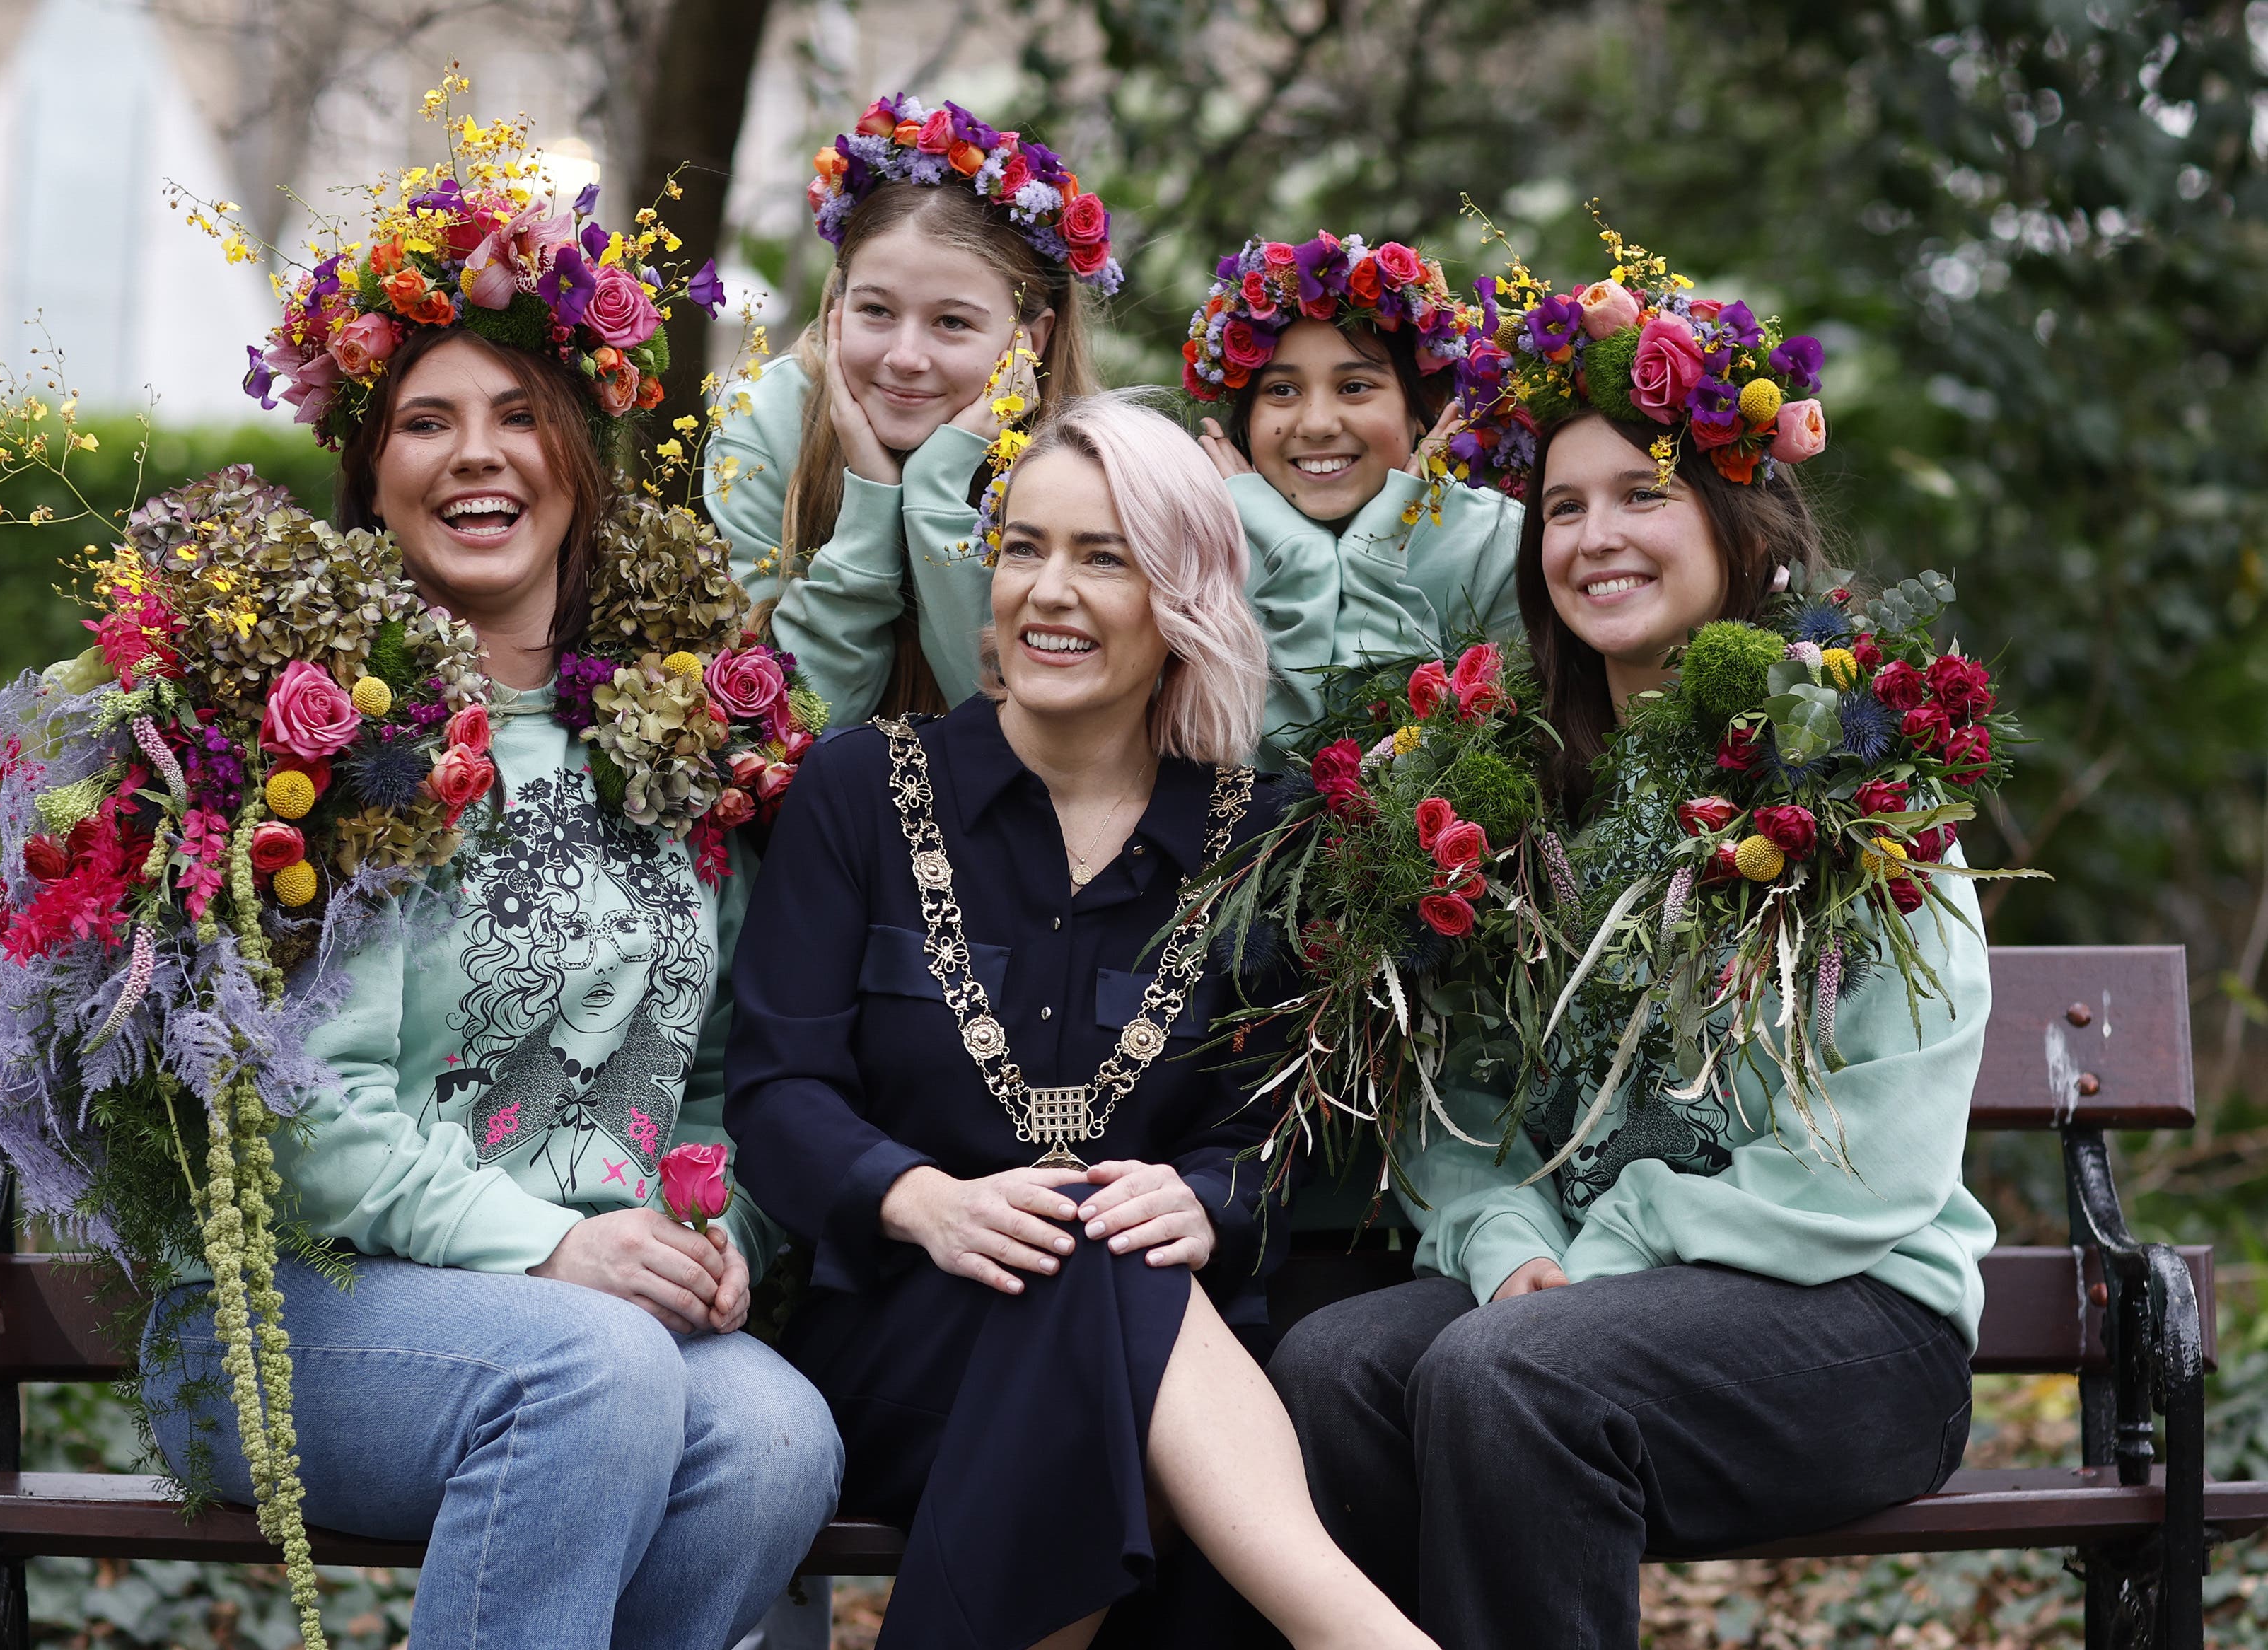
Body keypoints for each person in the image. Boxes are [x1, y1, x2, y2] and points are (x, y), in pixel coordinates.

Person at [146, 172, 842, 1650]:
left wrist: (714, 1228)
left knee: (779, 1436)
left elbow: (723, 1071)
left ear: (580, 458)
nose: (480, 455)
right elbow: (301, 1109)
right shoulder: (309, 740)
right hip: (301, 1309)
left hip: (601, 1312)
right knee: (594, 1373)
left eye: (519, 414)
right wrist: (547, 1247)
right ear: (371, 471)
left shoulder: (675, 733)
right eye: (426, 420)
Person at [1267, 278, 1992, 1647]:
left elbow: (1879, 1156)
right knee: (1335, 1363)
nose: (1593, 536)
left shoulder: (1853, 765)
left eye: (1640, 494)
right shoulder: (1501, 782)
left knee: (1509, 1370)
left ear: (1737, 519)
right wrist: (1503, 1233)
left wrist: (1600, 1248)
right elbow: (1455, 1093)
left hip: (1847, 1310)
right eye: (1560, 507)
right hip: (1570, 1291)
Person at [726, 392, 1438, 1650]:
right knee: (1092, 1277)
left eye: (1103, 557)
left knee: (1104, 1257)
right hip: (903, 1342)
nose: (1047, 591)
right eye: (1024, 548)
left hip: (1157, 1353)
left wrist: (1204, 1198)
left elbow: (1283, 1135)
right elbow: (776, 1090)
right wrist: (916, 1198)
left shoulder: (1260, 837)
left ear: (1181, 600)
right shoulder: (857, 791)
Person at [703, 93, 1110, 724]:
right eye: (876, 311)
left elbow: (1008, 720)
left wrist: (938, 484)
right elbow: (797, 724)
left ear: (1028, 340)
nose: (904, 356)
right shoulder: (767, 420)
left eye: (951, 322)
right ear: (837, 306)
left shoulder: (1088, 465)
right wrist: (869, 501)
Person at [1183, 232, 1525, 746]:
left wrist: (1376, 549)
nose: (1318, 424)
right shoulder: (1194, 550)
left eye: (1354, 387)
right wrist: (1300, 555)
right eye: (1281, 391)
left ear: (1421, 405)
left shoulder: (1500, 544)